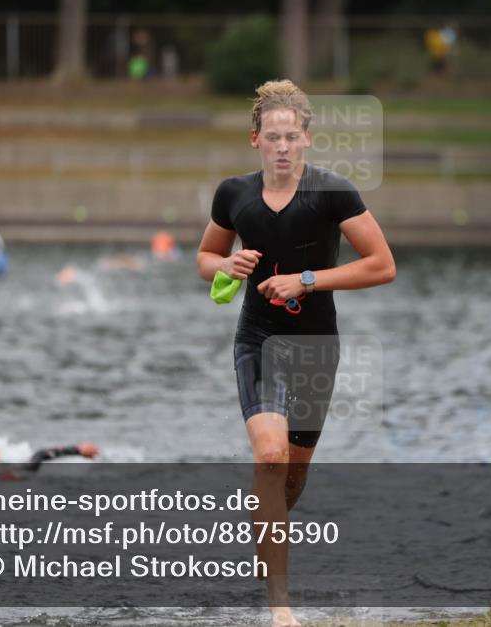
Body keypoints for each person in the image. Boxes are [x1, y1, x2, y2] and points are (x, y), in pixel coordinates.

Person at [196, 79, 395, 627]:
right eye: (272, 137)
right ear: (255, 140)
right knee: (269, 456)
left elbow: (382, 265)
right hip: (258, 340)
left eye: (292, 137)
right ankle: (280, 608)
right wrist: (227, 268)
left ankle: (267, 531)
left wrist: (306, 280)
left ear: (306, 139)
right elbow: (206, 258)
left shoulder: (334, 194)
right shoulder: (233, 195)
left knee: (291, 478)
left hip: (314, 347)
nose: (282, 146)